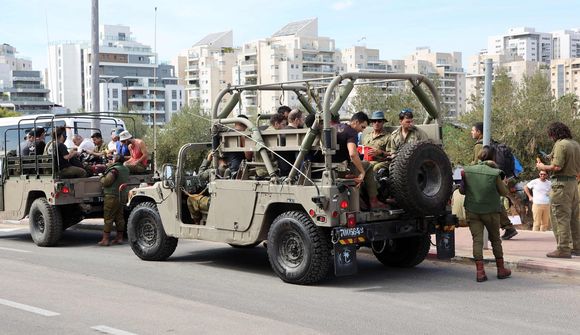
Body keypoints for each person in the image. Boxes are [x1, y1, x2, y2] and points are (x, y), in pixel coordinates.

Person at [461, 146, 512, 282]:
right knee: (495, 239)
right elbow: (504, 192)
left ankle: (480, 272)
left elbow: (462, 191)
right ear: (493, 157)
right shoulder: (495, 173)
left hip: (472, 210)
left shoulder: (467, 171)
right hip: (491, 211)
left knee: (477, 240)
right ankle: (501, 269)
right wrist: (504, 183)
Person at [536, 122, 580, 258]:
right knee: (573, 216)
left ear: (554, 133)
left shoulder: (561, 144)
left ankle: (563, 248)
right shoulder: (575, 144)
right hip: (573, 184)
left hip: (561, 185)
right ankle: (576, 246)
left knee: (560, 216)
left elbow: (557, 167)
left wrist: (542, 167)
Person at [470, 121, 518, 240]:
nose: (471, 132)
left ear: (479, 132)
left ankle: (505, 227)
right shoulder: (491, 143)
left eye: (473, 130)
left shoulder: (479, 145)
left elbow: (478, 163)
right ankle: (507, 227)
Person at [333, 112, 385, 209]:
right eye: (362, 127)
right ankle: (374, 201)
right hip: (342, 169)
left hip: (331, 168)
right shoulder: (352, 132)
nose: (362, 130)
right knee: (368, 165)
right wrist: (362, 172)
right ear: (356, 122)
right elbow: (352, 154)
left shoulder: (337, 127)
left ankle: (360, 198)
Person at [98, 154, 130, 246]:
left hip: (111, 195)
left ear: (115, 159)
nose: (111, 159)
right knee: (119, 217)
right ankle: (119, 238)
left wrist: (101, 176)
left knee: (108, 217)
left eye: (112, 158)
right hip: (121, 195)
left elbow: (106, 182)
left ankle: (105, 239)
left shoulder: (114, 170)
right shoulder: (126, 169)